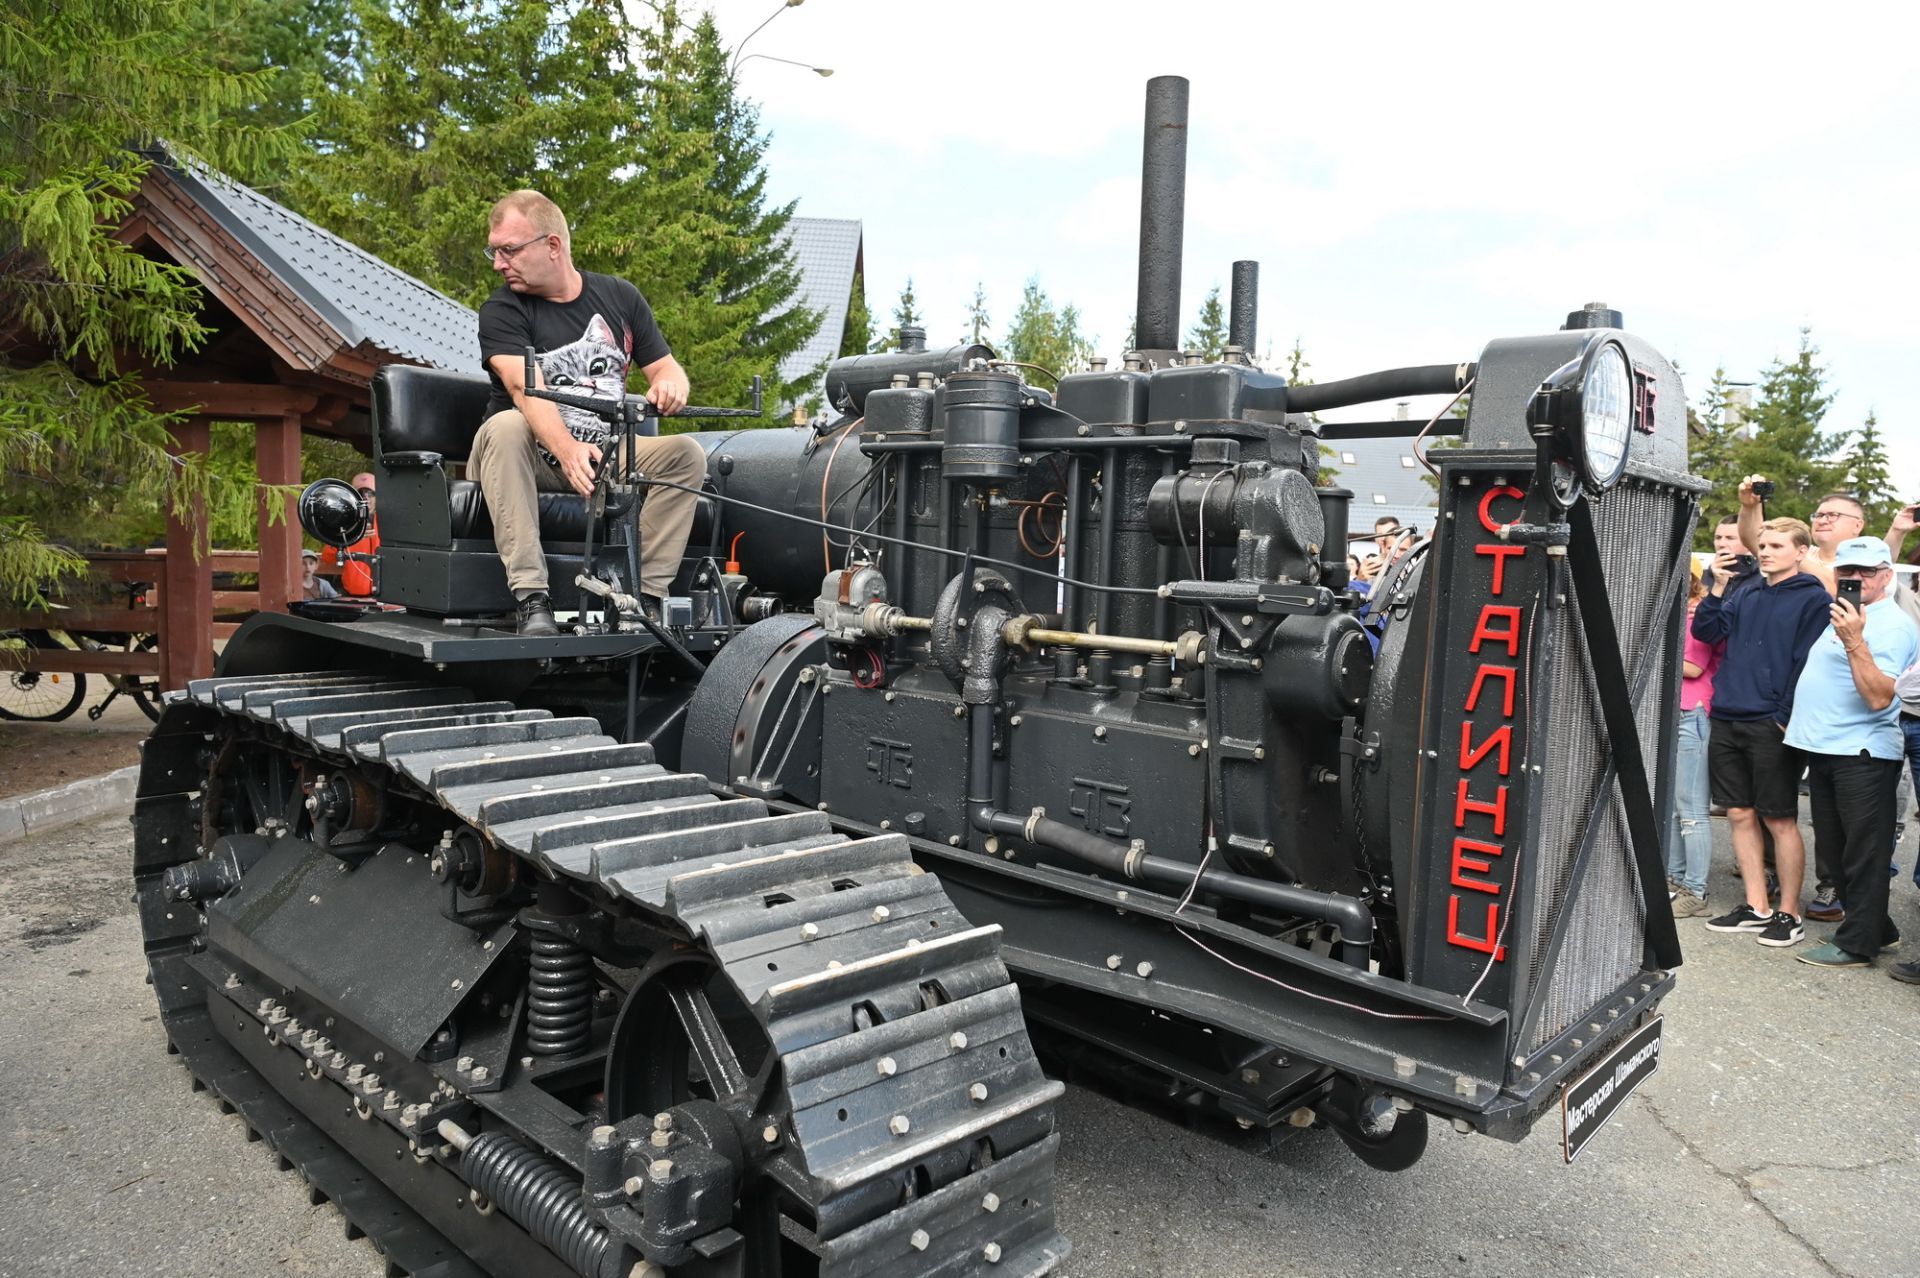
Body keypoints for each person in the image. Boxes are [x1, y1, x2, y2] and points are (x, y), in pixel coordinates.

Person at [471, 189, 704, 638]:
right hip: (526, 456)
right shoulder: (502, 309)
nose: (499, 263)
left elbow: (665, 366)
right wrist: (568, 449)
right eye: (494, 251)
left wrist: (670, 384)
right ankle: (531, 598)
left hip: (598, 455)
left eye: (509, 250)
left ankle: (642, 600)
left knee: (684, 454)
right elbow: (525, 388)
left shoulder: (620, 297)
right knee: (506, 425)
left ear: (552, 246)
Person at [1695, 516, 1831, 948]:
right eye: (1764, 545)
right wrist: (1716, 586)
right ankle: (1757, 906)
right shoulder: (1745, 588)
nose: (1766, 551)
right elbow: (1707, 630)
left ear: (1800, 552)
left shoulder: (1812, 598)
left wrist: (1783, 714)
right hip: (1728, 713)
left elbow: (1808, 662)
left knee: (1779, 817)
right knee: (1738, 813)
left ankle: (1789, 913)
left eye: (1776, 545)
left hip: (1770, 720)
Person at [1783, 538, 1919, 967]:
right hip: (1827, 747)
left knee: (1862, 854)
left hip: (1862, 752)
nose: (1853, 578)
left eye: (1863, 571)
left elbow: (1881, 697)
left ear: (1885, 575)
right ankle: (1877, 928)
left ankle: (1858, 944)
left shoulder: (1889, 624)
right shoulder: (1847, 611)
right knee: (1838, 851)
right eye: (1846, 572)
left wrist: (1854, 641)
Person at [1669, 573, 1721, 917]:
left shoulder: (1695, 615)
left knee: (1691, 809)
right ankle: (1675, 879)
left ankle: (1695, 889)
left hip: (1695, 712)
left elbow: (1692, 666)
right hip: (1685, 712)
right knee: (1677, 806)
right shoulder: (1687, 614)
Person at [1739, 482, 1863, 595]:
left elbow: (1844, 595)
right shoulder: (1803, 552)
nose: (1822, 521)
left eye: (1833, 515)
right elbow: (1754, 538)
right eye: (1818, 515)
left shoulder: (1869, 563)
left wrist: (1793, 557)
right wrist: (1750, 506)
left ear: (1858, 525)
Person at [321, 471, 381, 596]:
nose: (366, 498)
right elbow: (327, 557)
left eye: (371, 493)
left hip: (385, 596)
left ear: (378, 496)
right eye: (360, 493)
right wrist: (350, 537)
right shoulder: (344, 523)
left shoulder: (388, 524)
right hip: (352, 596)